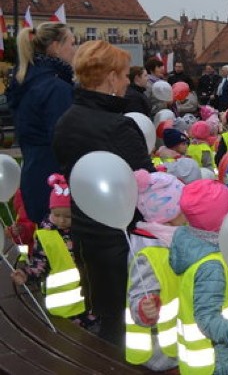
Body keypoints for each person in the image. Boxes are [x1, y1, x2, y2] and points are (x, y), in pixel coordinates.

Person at [52, 40, 155, 347]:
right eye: (123, 75)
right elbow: (147, 182)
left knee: (107, 313)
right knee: (131, 321)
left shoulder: (66, 120)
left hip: (86, 231)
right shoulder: (118, 126)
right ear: (110, 77)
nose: (126, 81)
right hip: (126, 237)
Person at [169, 179, 228, 374]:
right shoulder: (211, 266)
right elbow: (205, 317)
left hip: (224, 352)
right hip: (219, 358)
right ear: (221, 222)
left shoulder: (201, 244)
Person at [7, 22, 76, 225]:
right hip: (57, 183)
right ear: (55, 46)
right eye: (71, 43)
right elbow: (64, 139)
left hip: (35, 174)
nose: (74, 50)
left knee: (45, 248)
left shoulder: (28, 81)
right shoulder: (55, 88)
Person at [10, 174, 95, 327]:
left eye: (68, 216)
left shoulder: (84, 231)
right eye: (56, 215)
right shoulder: (46, 235)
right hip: (63, 306)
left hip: (90, 301)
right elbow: (39, 263)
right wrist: (25, 274)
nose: (62, 220)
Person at [125, 170, 185, 371]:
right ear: (166, 217)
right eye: (182, 211)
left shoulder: (169, 239)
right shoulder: (148, 251)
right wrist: (143, 308)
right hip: (159, 352)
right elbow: (138, 291)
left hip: (177, 342)